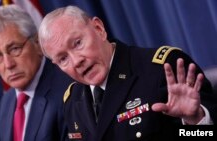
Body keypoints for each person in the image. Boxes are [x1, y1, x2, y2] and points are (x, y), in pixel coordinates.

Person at [38, 5, 217, 141]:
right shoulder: (72, 100)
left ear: (99, 29)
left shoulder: (163, 68)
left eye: (77, 43)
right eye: (63, 59)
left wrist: (195, 121)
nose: (76, 61)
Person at [0, 4, 73, 141]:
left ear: (37, 43)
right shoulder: (6, 103)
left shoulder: (70, 92)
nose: (8, 64)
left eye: (15, 49)